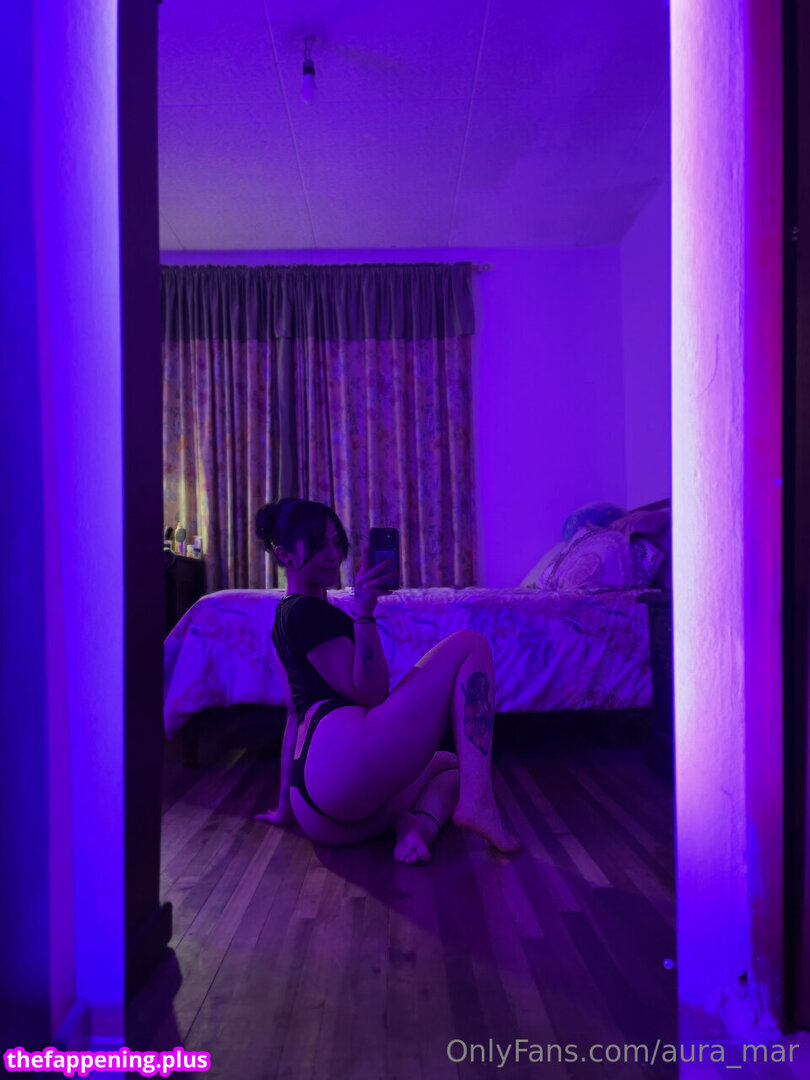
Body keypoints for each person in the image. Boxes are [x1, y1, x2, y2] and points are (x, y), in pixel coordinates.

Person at [254, 497, 521, 863]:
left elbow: (293, 715)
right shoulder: (309, 612)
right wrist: (364, 613)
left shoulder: (283, 617)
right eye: (318, 545)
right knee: (470, 645)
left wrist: (285, 807)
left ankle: (416, 828)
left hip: (316, 811)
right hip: (341, 773)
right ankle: (479, 804)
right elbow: (371, 694)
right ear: (285, 556)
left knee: (452, 766)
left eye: (336, 542)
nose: (333, 555)